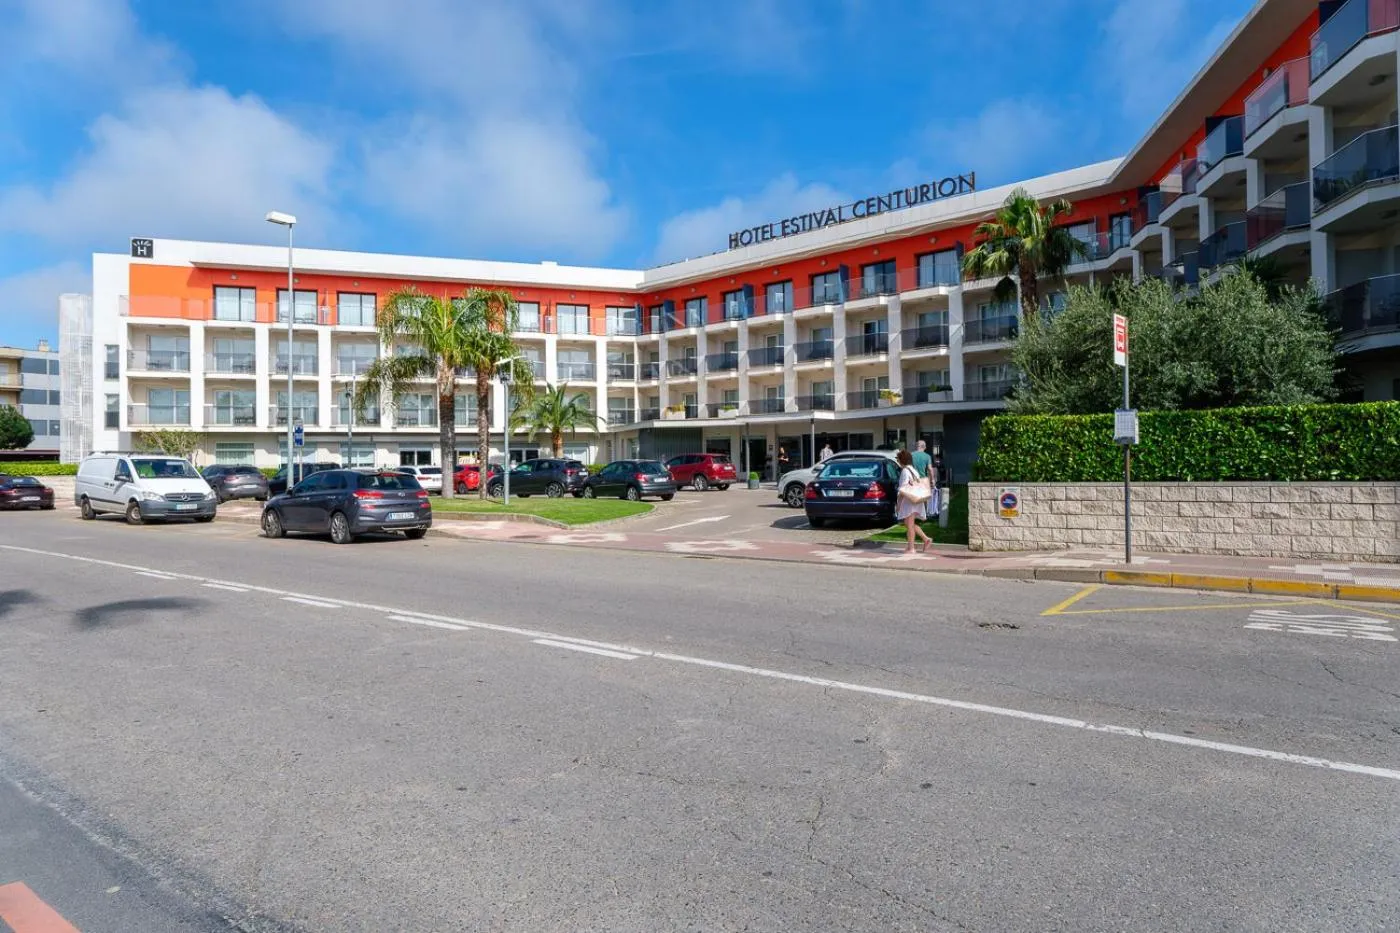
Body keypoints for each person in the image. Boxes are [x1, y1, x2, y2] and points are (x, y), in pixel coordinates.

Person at [894, 449, 933, 553]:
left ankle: (911, 548)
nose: (898, 461)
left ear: (902, 460)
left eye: (898, 459)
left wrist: (898, 504)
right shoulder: (913, 470)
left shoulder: (905, 471)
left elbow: (902, 490)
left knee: (909, 525)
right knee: (908, 523)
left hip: (909, 501)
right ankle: (925, 539)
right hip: (915, 499)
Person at [912, 440, 939, 516]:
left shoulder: (911, 455)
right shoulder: (927, 456)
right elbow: (930, 469)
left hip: (914, 480)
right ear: (924, 447)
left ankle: (915, 514)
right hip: (923, 480)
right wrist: (932, 479)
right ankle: (924, 514)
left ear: (917, 446)